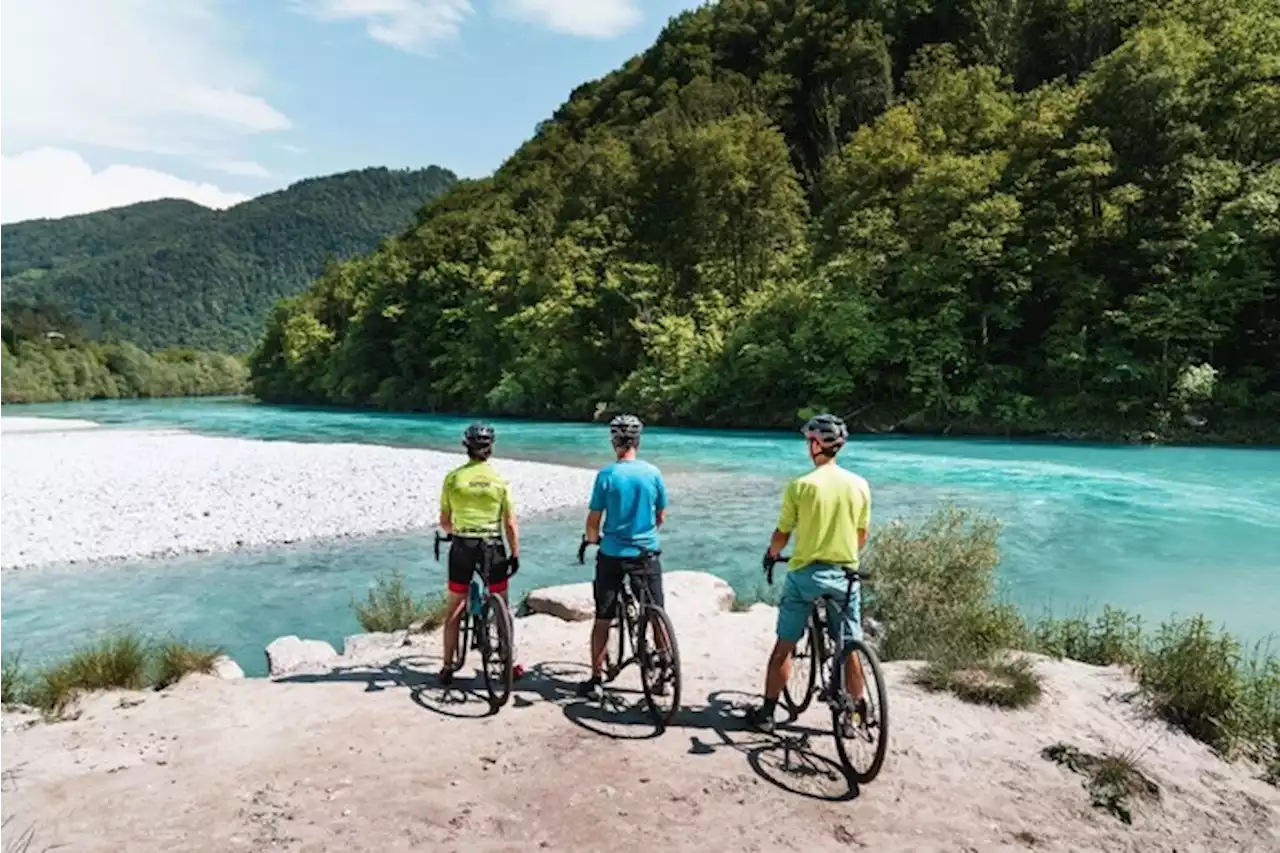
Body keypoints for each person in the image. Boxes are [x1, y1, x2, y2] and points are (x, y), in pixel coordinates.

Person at [749, 413, 871, 734]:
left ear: (816, 445)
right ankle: (855, 713)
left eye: (809, 442)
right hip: (845, 576)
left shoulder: (800, 486)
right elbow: (861, 535)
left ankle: (767, 713)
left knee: (784, 647)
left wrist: (771, 555)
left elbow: (782, 534)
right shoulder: (860, 485)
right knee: (849, 644)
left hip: (806, 576)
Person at [576, 414, 670, 700]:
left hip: (613, 553)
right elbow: (660, 515)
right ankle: (665, 671)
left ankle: (595, 678)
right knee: (657, 614)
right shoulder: (653, 473)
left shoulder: (607, 475)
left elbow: (593, 522)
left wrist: (592, 539)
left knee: (603, 618)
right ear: (637, 441)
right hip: (646, 552)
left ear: (614, 442)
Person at [438, 421, 523, 685]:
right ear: (491, 449)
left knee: (455, 605)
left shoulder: (453, 478)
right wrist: (515, 554)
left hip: (463, 546)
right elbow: (510, 523)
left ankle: (448, 665)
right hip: (492, 546)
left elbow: (444, 520)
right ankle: (512, 658)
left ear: (466, 448)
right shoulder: (500, 480)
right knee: (502, 603)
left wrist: (455, 531)